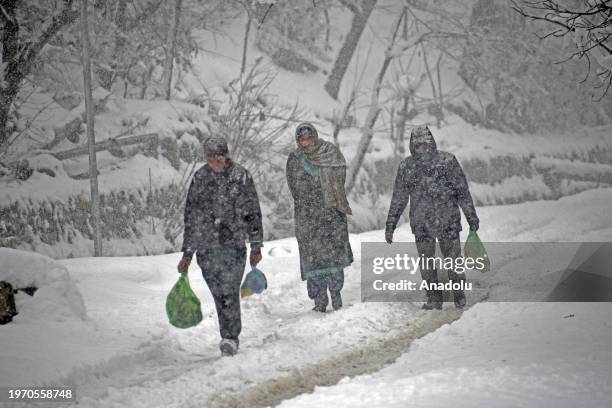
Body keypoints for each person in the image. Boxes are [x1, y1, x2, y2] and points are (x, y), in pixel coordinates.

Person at [177, 137, 263, 356]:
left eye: (219, 158)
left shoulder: (240, 177)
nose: (215, 162)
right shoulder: (200, 178)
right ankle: (228, 333)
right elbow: (191, 217)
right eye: (211, 159)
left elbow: (252, 213)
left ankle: (230, 337)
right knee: (218, 293)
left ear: (227, 156)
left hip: (233, 245)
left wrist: (255, 245)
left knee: (230, 290)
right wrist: (188, 252)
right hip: (207, 248)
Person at [385, 126, 479, 310]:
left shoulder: (447, 161)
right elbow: (399, 198)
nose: (422, 149)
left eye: (425, 145)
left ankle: (459, 295)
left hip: (448, 220)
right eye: (418, 146)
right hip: (422, 224)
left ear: (431, 143)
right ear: (413, 146)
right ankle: (434, 298)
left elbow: (462, 192)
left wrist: (471, 217)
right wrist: (391, 224)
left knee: (453, 260)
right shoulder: (407, 167)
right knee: (427, 263)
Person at [286, 122, 353, 313]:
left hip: (331, 213)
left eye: (309, 139)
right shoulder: (295, 159)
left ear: (315, 137)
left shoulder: (330, 153)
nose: (306, 143)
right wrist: (310, 203)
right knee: (313, 258)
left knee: (333, 257)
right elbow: (294, 187)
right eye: (302, 140)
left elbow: (340, 179)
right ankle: (319, 299)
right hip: (308, 216)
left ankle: (336, 294)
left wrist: (325, 197)